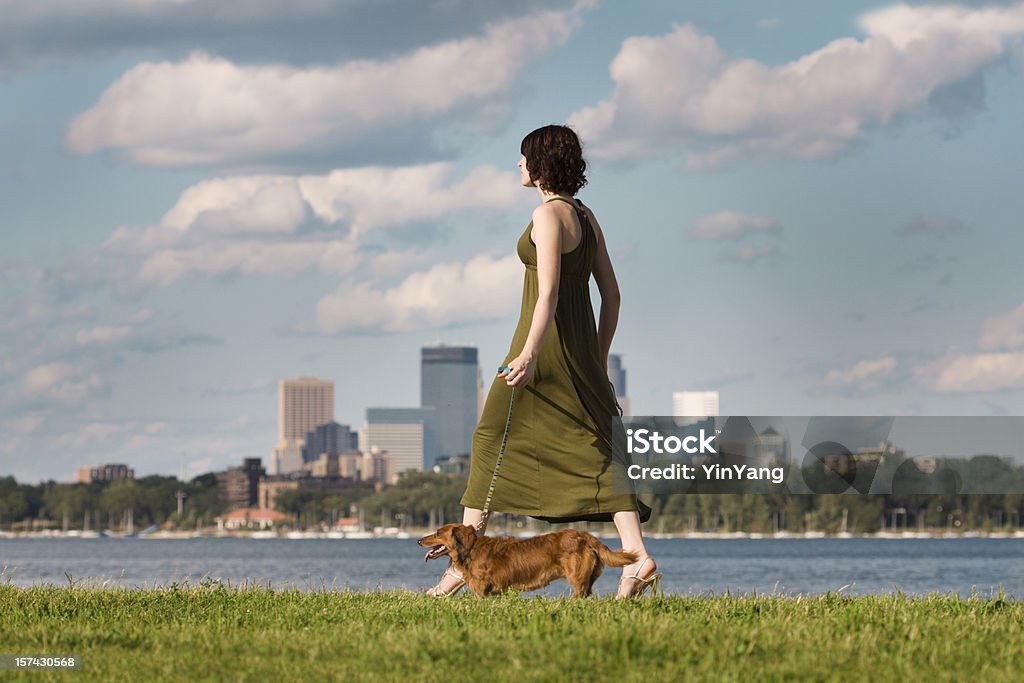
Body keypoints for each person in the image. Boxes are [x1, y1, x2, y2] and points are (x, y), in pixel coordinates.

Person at [427, 124, 658, 599]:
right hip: (579, 355)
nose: (517, 165)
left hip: (541, 351)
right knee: (599, 449)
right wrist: (596, 355)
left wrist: (530, 354)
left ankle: (460, 565)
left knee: (490, 436)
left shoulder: (548, 216)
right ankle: (637, 558)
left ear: (539, 163)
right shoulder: (587, 217)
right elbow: (612, 295)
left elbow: (548, 290)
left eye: (522, 157)